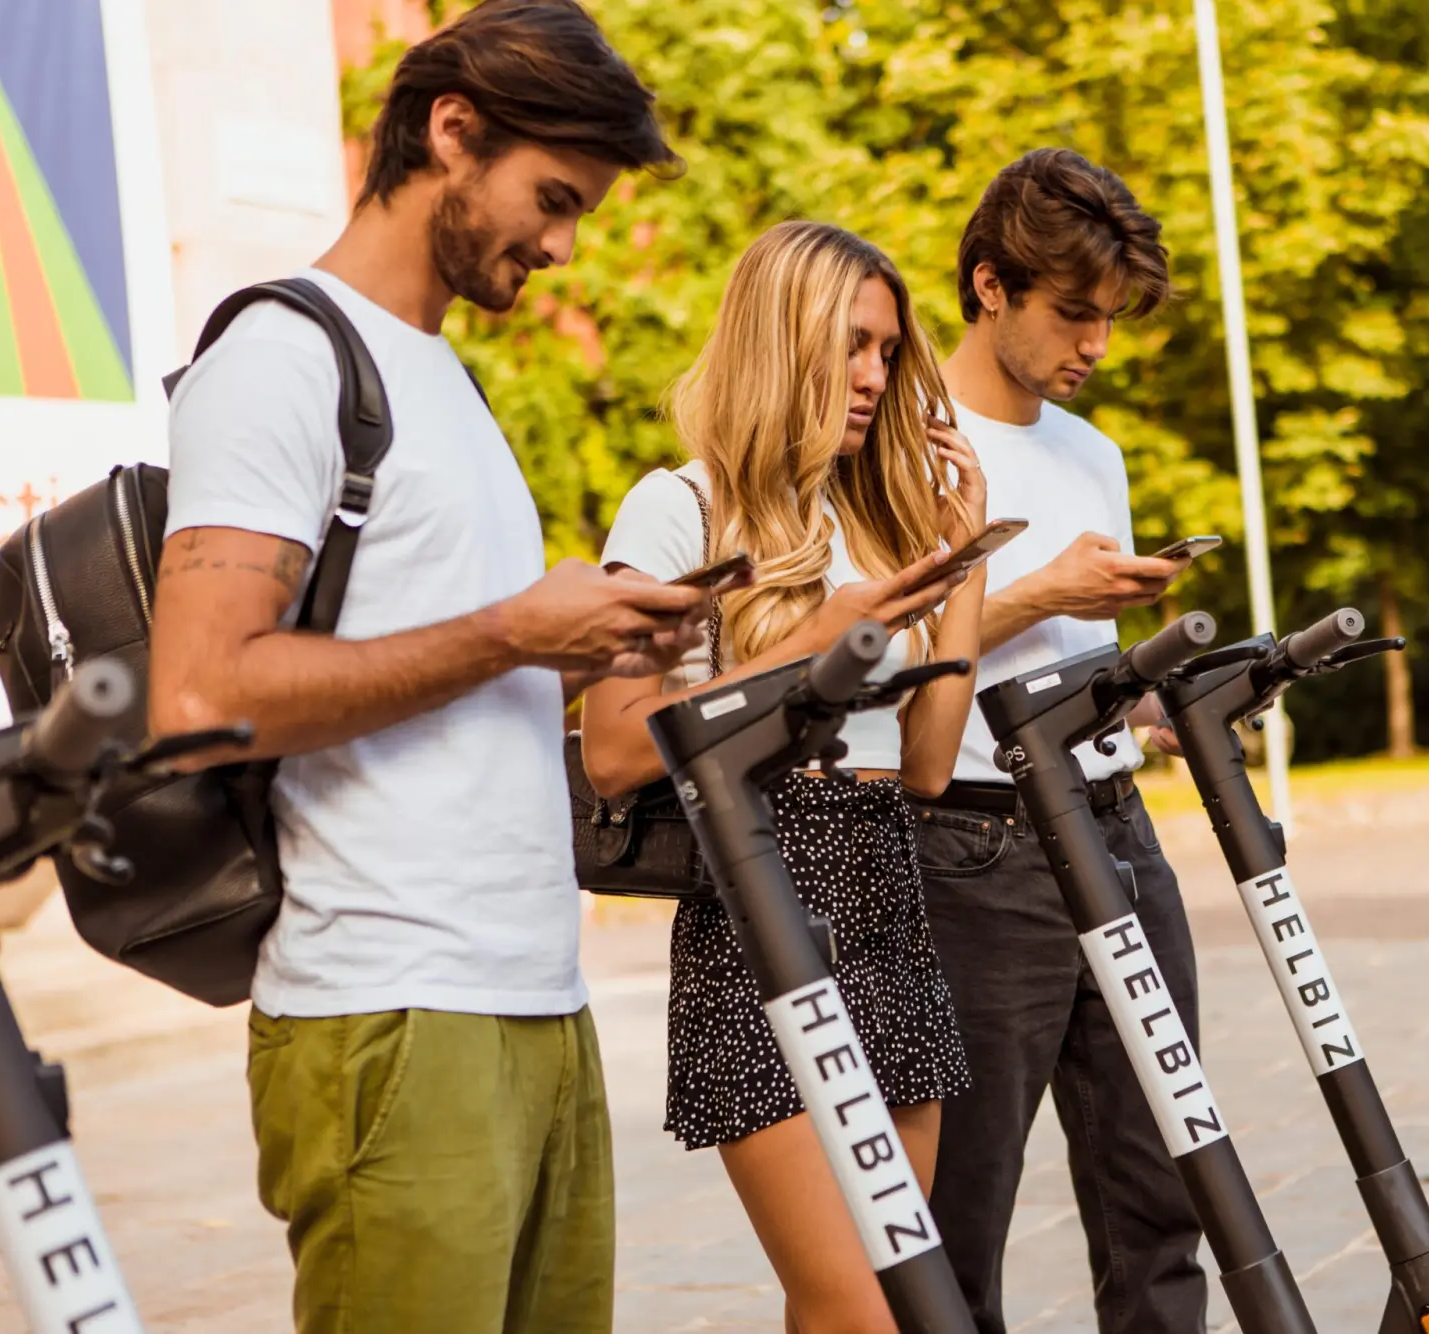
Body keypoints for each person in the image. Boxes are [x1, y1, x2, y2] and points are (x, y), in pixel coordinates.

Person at [146, 5, 699, 1331]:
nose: (562, 246)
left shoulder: (443, 381)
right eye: (551, 198)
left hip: (535, 1003)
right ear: (452, 131)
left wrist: (587, 646)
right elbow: (198, 698)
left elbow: (438, 674)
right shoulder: (281, 357)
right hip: (390, 1015)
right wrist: (513, 630)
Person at [579, 220, 986, 1333]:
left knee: (903, 1297)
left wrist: (961, 565)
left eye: (888, 352)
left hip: (883, 896)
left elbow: (932, 766)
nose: (873, 375)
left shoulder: (864, 516)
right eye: (852, 344)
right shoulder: (678, 506)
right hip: (757, 905)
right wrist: (813, 637)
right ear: (781, 337)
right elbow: (614, 745)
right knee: (852, 1302)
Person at [910, 147, 1205, 1334]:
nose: (1095, 344)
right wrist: (1037, 590)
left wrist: (1150, 704)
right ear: (989, 284)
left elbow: (1061, 671)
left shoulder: (1094, 455)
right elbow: (877, 671)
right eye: (1073, 313)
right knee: (962, 1204)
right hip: (974, 848)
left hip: (1115, 824)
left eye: (1110, 318)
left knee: (1162, 1177)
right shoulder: (905, 439)